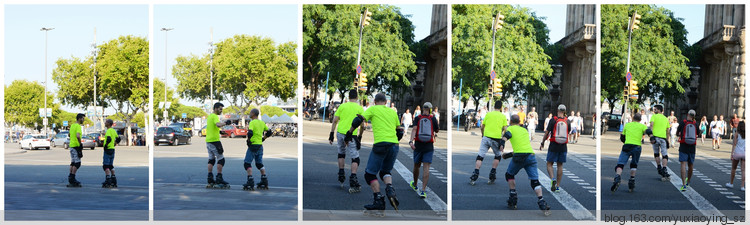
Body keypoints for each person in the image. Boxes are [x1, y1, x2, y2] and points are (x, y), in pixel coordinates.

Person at [345, 93, 403, 215]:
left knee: (370, 174)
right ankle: (390, 189)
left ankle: (378, 200)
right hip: (394, 145)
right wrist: (394, 140)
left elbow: (358, 120)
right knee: (385, 172)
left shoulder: (372, 108)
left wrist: (349, 133)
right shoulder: (393, 112)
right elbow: (400, 131)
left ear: (375, 101)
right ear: (386, 102)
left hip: (380, 145)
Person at [502, 114, 551, 214]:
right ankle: (541, 201)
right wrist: (507, 155)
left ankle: (513, 196)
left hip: (519, 157)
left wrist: (502, 144)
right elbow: (522, 147)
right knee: (534, 181)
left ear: (511, 121)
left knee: (509, 174)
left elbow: (506, 137)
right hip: (530, 155)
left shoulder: (510, 129)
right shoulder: (524, 130)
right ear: (519, 121)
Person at [329, 89, 365, 192]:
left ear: (348, 97)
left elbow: (335, 120)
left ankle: (341, 173)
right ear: (357, 97)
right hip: (352, 135)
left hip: (340, 133)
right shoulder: (359, 108)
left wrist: (331, 134)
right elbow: (362, 125)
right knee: (355, 158)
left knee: (341, 153)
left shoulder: (342, 106)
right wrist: (360, 136)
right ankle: (353, 177)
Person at [611, 113, 653, 192]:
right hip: (636, 147)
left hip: (627, 146)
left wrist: (625, 141)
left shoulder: (627, 125)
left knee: (620, 163)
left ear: (633, 118)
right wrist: (652, 137)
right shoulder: (642, 126)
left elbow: (622, 137)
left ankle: (617, 177)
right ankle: (631, 180)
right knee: (634, 164)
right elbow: (648, 131)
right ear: (640, 120)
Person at [469, 100, 508, 185]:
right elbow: (505, 129)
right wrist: (502, 140)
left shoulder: (488, 114)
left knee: (480, 156)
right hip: (496, 139)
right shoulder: (503, 116)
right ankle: (492, 173)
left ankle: (475, 173)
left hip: (486, 137)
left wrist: (483, 134)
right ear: (501, 107)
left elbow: (482, 126)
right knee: (497, 156)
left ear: (494, 107)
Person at [409, 102, 439, 198]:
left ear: (422, 108)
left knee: (416, 166)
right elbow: (437, 130)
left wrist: (411, 142)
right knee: (426, 168)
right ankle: (423, 190)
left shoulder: (418, 118)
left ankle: (415, 184)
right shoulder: (433, 118)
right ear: (430, 109)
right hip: (429, 146)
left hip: (418, 145)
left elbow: (414, 129)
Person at [540, 104, 570, 192]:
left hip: (553, 144)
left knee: (549, 163)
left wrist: (542, 142)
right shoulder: (567, 121)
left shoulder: (553, 120)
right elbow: (568, 131)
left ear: (557, 110)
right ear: (564, 111)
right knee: (560, 165)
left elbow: (547, 132)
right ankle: (558, 186)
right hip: (563, 146)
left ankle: (552, 179)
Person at [242, 108, 273, 190]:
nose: (249, 113)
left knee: (247, 163)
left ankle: (250, 180)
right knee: (259, 163)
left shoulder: (252, 122)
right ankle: (264, 179)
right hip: (260, 145)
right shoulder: (262, 123)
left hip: (253, 145)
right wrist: (264, 138)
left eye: (250, 112)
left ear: (253, 114)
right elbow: (269, 132)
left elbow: (250, 132)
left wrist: (248, 141)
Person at [206, 102, 230, 188]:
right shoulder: (215, 116)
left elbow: (212, 127)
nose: (221, 111)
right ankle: (219, 178)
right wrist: (226, 123)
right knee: (221, 159)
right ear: (215, 108)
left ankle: (210, 177)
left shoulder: (209, 116)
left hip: (208, 141)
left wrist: (219, 131)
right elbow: (218, 124)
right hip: (215, 141)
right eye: (220, 109)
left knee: (211, 159)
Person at [676, 110, 699, 191]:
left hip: (683, 145)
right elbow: (698, 134)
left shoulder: (683, 122)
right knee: (691, 165)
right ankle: (688, 181)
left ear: (687, 114)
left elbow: (677, 132)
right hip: (692, 146)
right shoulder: (696, 124)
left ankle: (683, 184)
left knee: (683, 164)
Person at [650, 104, 670, 180]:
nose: (654, 111)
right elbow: (668, 130)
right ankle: (664, 168)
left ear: (659, 110)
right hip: (663, 138)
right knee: (664, 154)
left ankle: (659, 166)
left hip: (655, 137)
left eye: (655, 109)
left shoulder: (654, 116)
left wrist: (651, 136)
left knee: (656, 153)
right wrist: (668, 140)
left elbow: (651, 125)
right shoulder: (666, 118)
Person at [67, 113, 85, 187]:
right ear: (80, 118)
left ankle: (70, 176)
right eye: (83, 118)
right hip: (76, 146)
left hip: (71, 146)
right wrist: (80, 143)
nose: (83, 120)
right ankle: (73, 177)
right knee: (77, 163)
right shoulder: (78, 126)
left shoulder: (72, 125)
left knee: (73, 162)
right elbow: (78, 136)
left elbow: (69, 135)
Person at [726, 121, 745, 191]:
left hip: (737, 152)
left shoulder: (737, 133)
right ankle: (742, 186)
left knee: (734, 168)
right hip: (744, 153)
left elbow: (734, 144)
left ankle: (731, 183)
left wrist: (732, 154)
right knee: (743, 170)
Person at [101, 119, 119, 188]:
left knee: (106, 166)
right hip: (112, 149)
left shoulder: (108, 131)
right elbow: (118, 139)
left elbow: (108, 139)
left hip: (108, 149)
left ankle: (108, 180)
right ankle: (113, 179)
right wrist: (115, 144)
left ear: (109, 123)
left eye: (106, 122)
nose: (105, 123)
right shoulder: (114, 131)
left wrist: (105, 146)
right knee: (111, 165)